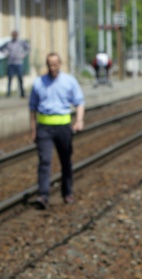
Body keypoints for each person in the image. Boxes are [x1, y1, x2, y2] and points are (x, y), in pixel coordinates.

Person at [28, 52, 85, 209]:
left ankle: (67, 192)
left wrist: (79, 120)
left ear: (60, 64)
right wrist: (33, 130)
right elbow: (32, 108)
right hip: (44, 128)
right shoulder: (39, 83)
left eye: (55, 64)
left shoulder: (69, 81)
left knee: (66, 161)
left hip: (63, 127)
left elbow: (79, 102)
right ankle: (43, 195)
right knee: (45, 162)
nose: (52, 67)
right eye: (49, 64)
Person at [0, 30, 30, 98]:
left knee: (20, 78)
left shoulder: (21, 42)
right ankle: (8, 93)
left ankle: (22, 93)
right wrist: (5, 53)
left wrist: (23, 54)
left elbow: (28, 48)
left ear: (17, 35)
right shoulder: (9, 43)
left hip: (19, 62)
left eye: (15, 35)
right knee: (10, 78)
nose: (14, 36)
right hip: (10, 63)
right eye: (13, 35)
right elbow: (1, 48)